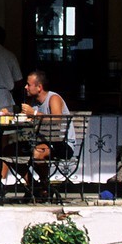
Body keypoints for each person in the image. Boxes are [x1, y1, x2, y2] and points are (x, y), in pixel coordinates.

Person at [18, 70, 71, 198]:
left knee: (38, 152)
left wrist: (34, 114)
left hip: (61, 144)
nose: (25, 87)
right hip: (40, 142)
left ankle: (44, 184)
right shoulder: (34, 103)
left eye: (28, 84)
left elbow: (57, 119)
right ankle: (35, 184)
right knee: (8, 151)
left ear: (39, 87)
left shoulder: (53, 98)